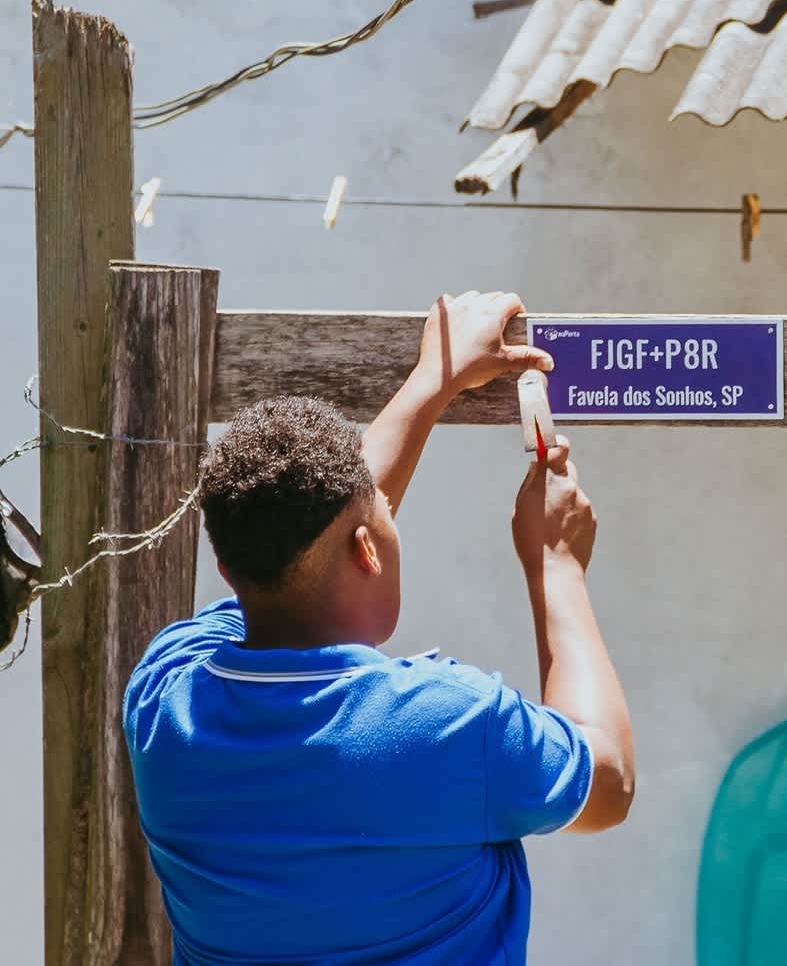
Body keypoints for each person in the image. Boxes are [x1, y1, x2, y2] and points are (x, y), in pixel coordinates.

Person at [123, 290, 635, 966]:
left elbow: (325, 522)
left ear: (225, 565)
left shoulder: (163, 698)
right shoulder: (448, 725)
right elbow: (608, 782)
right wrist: (555, 564)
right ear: (368, 548)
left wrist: (436, 379)